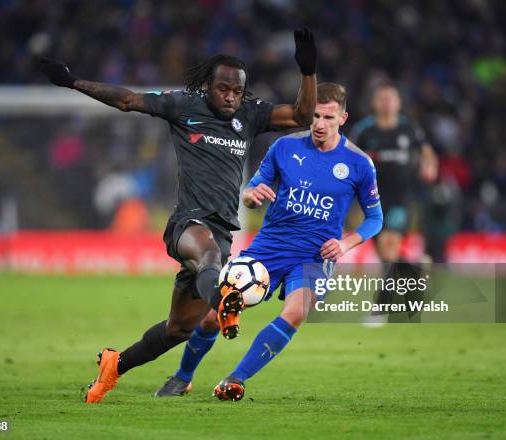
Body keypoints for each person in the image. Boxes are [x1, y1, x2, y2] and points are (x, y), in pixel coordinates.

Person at [40, 28, 318, 404]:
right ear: (207, 85)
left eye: (237, 91)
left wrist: (308, 69)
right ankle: (226, 302)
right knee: (209, 259)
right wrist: (73, 82)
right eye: (224, 89)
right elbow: (127, 100)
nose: (231, 97)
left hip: (222, 230)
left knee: (179, 329)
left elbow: (303, 114)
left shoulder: (251, 115)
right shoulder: (183, 105)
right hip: (188, 223)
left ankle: (113, 366)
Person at [154, 83, 383, 401]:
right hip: (270, 246)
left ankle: (236, 379)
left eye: (328, 117)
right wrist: (250, 196)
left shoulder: (359, 163)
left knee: (296, 312)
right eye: (315, 115)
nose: (319, 124)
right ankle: (182, 377)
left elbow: (375, 219)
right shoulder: (285, 147)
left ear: (343, 118)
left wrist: (346, 243)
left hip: (314, 254)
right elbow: (251, 192)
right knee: (213, 314)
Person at [350, 81, 438, 323]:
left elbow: (427, 153)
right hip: (372, 201)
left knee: (389, 249)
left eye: (392, 98)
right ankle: (417, 268)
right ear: (375, 103)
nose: (387, 103)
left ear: (398, 103)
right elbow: (349, 157)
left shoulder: (408, 130)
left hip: (402, 199)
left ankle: (379, 309)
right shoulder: (365, 131)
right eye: (383, 98)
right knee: (386, 257)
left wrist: (429, 167)